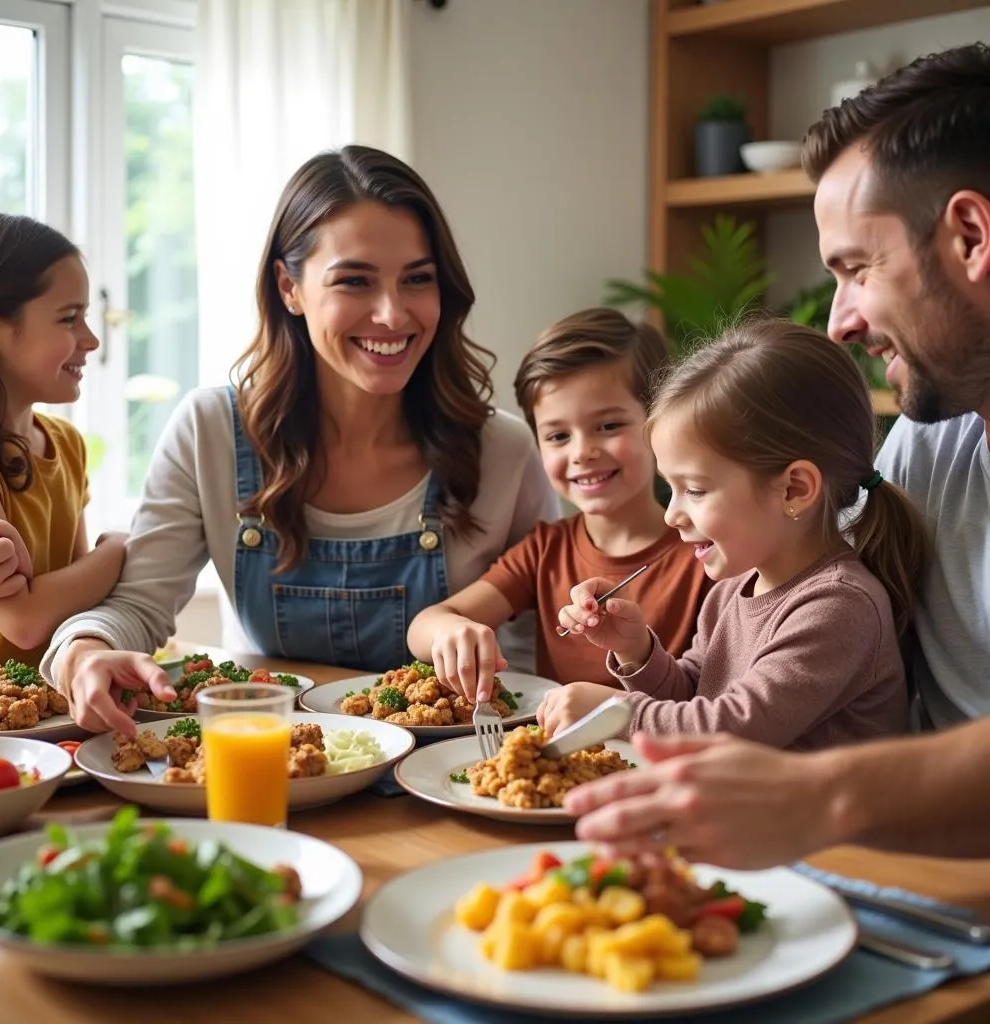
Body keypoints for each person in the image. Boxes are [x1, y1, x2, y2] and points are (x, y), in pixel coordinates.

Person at [566, 42, 990, 865]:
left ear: (971, 235)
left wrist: (824, 798)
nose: (838, 321)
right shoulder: (928, 446)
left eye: (857, 268)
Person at [42, 145, 558, 735]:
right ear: (289, 287)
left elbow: (531, 658)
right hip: (269, 764)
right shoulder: (209, 430)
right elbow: (139, 603)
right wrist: (83, 653)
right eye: (355, 281)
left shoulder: (504, 451)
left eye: (417, 279)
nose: (392, 314)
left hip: (447, 781)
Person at [540, 318, 928, 751]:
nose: (672, 516)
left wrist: (618, 714)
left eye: (695, 490)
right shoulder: (732, 591)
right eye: (671, 489)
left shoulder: (839, 607)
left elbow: (733, 727)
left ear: (795, 490)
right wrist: (637, 651)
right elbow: (692, 697)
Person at [406, 307, 709, 699]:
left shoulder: (708, 552)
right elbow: (424, 626)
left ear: (659, 422)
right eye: (558, 436)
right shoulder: (545, 549)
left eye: (608, 426)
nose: (582, 452)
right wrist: (452, 630)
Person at [0, 212, 127, 666]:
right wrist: (119, 550)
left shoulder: (66, 443)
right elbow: (25, 620)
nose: (91, 340)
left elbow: (77, 599)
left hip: (53, 713)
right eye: (69, 318)